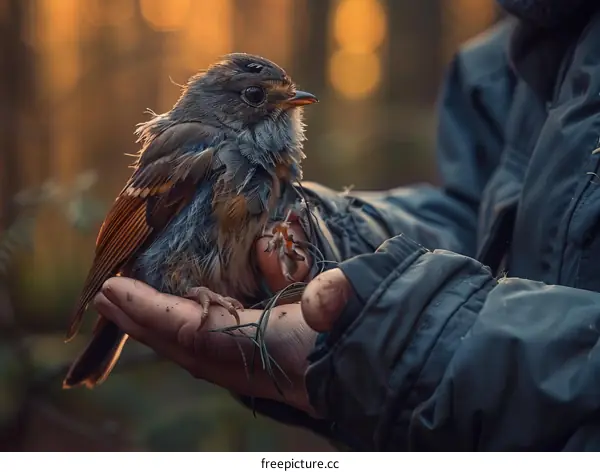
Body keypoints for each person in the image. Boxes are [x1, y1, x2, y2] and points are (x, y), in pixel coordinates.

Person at [93, 0, 600, 451]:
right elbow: (477, 217)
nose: (281, 103)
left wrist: (402, 342)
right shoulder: (522, 48)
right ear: (227, 104)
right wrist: (331, 238)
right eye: (256, 97)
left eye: (280, 95)